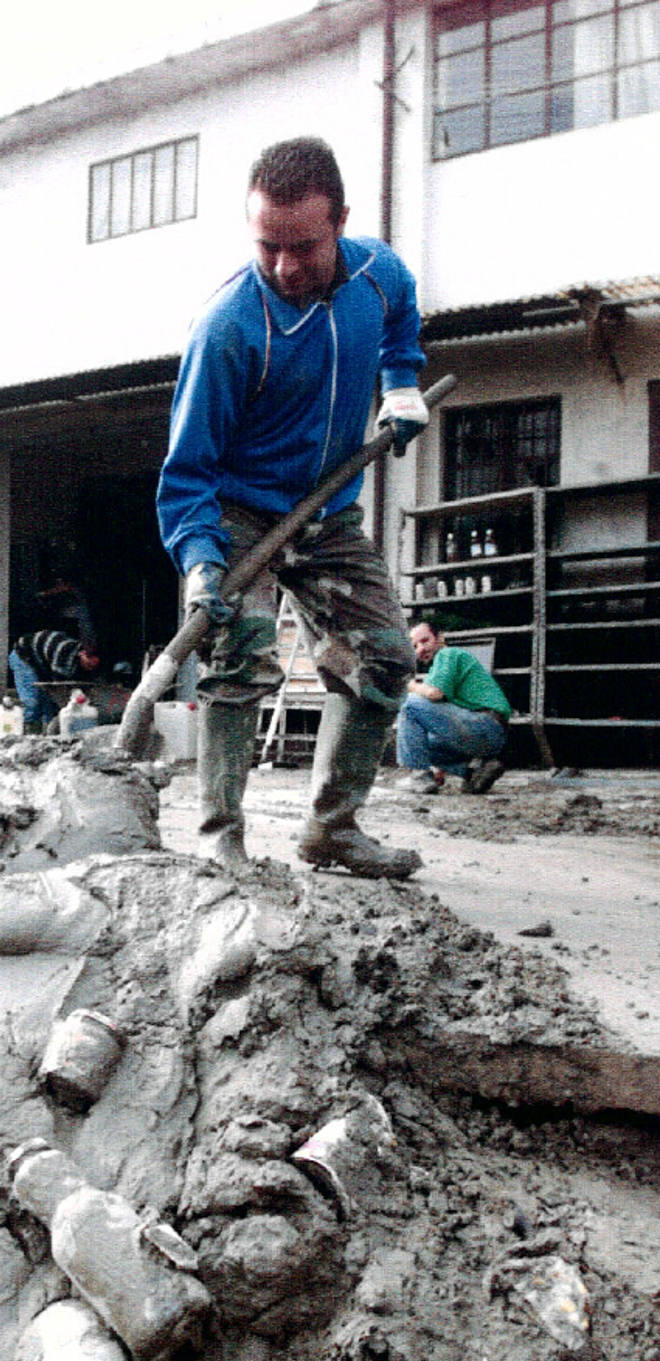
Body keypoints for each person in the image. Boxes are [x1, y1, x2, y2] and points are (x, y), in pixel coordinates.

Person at [155, 136, 429, 877]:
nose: (283, 266)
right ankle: (220, 837)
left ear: (340, 219)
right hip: (239, 513)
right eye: (266, 246)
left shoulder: (379, 273)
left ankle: (331, 833)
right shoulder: (228, 329)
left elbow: (402, 316)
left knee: (385, 658)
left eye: (303, 246)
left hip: (328, 509)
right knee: (239, 654)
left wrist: (400, 381)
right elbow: (188, 473)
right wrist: (202, 563)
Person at [396, 620, 510, 794]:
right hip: (491, 734)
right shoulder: (441, 666)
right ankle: (473, 773)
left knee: (408, 703)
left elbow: (435, 694)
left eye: (425, 641)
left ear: (440, 638)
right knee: (419, 743)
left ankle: (419, 777)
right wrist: (438, 768)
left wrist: (408, 685)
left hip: (484, 726)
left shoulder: (447, 654)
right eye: (415, 646)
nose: (420, 649)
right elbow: (443, 713)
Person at [9, 574, 100, 732]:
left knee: (49, 707)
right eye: (90, 659)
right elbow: (57, 688)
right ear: (82, 654)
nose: (92, 664)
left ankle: (50, 736)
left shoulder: (80, 662)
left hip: (42, 660)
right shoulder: (64, 654)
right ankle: (30, 735)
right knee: (33, 702)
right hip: (23, 656)